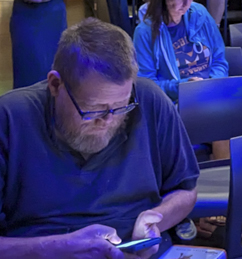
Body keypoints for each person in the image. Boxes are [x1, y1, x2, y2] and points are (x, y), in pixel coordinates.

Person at [0, 18, 199, 257]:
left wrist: (156, 220)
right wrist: (61, 246)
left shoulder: (149, 100)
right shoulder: (11, 117)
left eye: (120, 107)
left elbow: (185, 190)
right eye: (93, 109)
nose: (107, 121)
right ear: (55, 85)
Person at [133, 0, 228, 100]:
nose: (187, 3)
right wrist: (183, 87)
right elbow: (146, 84)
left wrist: (212, 83)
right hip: (176, 101)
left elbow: (219, 59)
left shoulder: (200, 13)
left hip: (211, 94)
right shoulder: (145, 32)